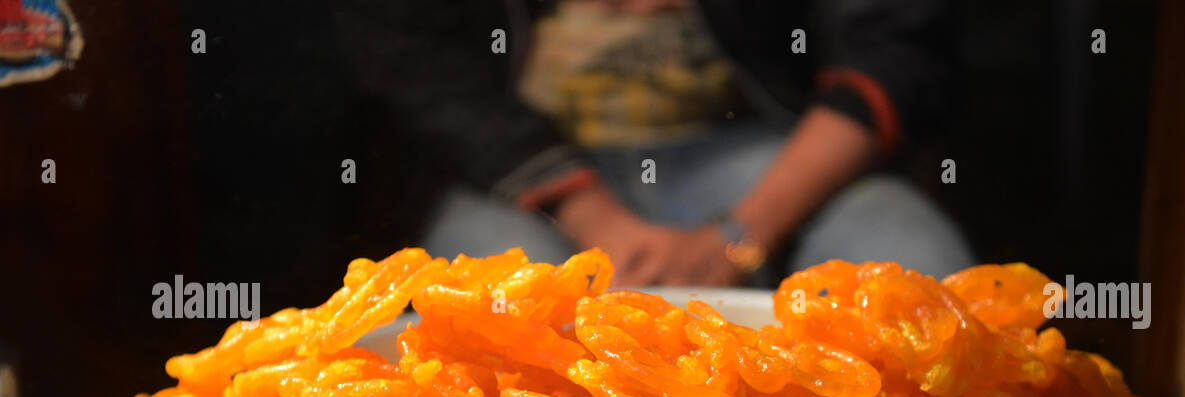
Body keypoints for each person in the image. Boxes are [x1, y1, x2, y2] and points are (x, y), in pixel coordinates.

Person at [337, 0, 974, 285]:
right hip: (515, 172)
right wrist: (599, 221)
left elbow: (895, 47)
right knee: (488, 337)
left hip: (765, 152)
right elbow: (416, 68)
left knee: (925, 283)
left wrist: (743, 234)